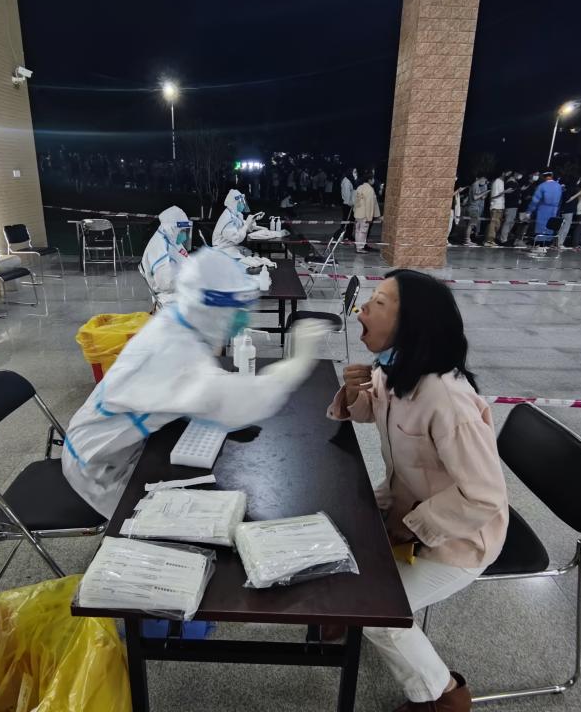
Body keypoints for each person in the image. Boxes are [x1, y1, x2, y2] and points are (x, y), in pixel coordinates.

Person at [328, 270, 508, 712]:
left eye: (378, 303)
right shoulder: (395, 370)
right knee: (335, 529)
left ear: (412, 323)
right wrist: (353, 392)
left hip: (458, 538)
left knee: (379, 614)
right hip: (406, 507)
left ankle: (443, 695)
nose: (362, 310)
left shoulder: (447, 398)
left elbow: (484, 496)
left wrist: (411, 527)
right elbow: (373, 412)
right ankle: (337, 614)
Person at [64, 248, 331, 518]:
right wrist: (298, 363)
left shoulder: (178, 320)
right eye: (235, 309)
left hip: (125, 443)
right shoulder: (172, 353)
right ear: (210, 309)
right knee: (152, 527)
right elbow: (235, 404)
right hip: (101, 466)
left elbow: (198, 385)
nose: (242, 317)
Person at [141, 206, 192, 307]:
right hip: (170, 298)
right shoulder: (160, 248)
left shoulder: (171, 238)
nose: (184, 234)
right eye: (182, 230)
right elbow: (165, 284)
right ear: (172, 227)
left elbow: (185, 259)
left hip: (179, 291)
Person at [213, 189, 261, 257]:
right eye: (240, 202)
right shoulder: (228, 218)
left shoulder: (235, 214)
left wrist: (252, 220)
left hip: (230, 248)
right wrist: (247, 224)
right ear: (234, 202)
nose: (243, 204)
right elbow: (237, 238)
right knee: (254, 259)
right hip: (223, 250)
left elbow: (243, 227)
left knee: (255, 255)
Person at [525, 170, 561, 245]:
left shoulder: (542, 186)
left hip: (543, 210)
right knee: (550, 228)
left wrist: (529, 211)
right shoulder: (558, 186)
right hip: (554, 210)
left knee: (541, 229)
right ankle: (547, 244)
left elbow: (535, 200)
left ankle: (539, 245)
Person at [354, 172, 381, 254]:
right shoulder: (369, 189)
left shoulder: (360, 187)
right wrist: (370, 217)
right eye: (373, 179)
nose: (374, 180)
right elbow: (370, 204)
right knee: (363, 232)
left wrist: (355, 211)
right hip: (365, 215)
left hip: (357, 213)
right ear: (369, 180)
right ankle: (360, 248)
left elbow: (356, 201)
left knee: (357, 231)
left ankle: (358, 246)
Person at [463, 176, 489, 246]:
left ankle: (467, 239)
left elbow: (482, 197)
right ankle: (467, 240)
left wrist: (485, 189)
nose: (485, 181)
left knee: (471, 224)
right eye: (484, 179)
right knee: (471, 224)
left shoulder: (477, 185)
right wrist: (486, 191)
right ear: (481, 178)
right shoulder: (475, 185)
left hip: (474, 207)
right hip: (473, 207)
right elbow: (475, 197)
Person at [483, 172, 507, 247]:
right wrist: (503, 192)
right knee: (493, 224)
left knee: (496, 225)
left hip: (500, 206)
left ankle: (488, 240)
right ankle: (489, 240)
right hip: (496, 206)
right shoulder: (497, 182)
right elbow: (493, 196)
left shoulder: (501, 182)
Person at [499, 172, 521, 245]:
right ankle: (503, 239)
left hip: (513, 206)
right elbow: (510, 193)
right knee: (508, 222)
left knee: (510, 222)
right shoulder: (511, 182)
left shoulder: (514, 183)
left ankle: (504, 238)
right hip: (510, 205)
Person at [339, 168, 358, 241]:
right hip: (348, 205)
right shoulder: (346, 181)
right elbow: (346, 195)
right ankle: (344, 236)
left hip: (350, 204)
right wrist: (350, 203)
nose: (355, 173)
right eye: (354, 172)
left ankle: (348, 235)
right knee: (347, 221)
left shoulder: (350, 180)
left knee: (350, 221)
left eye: (356, 172)